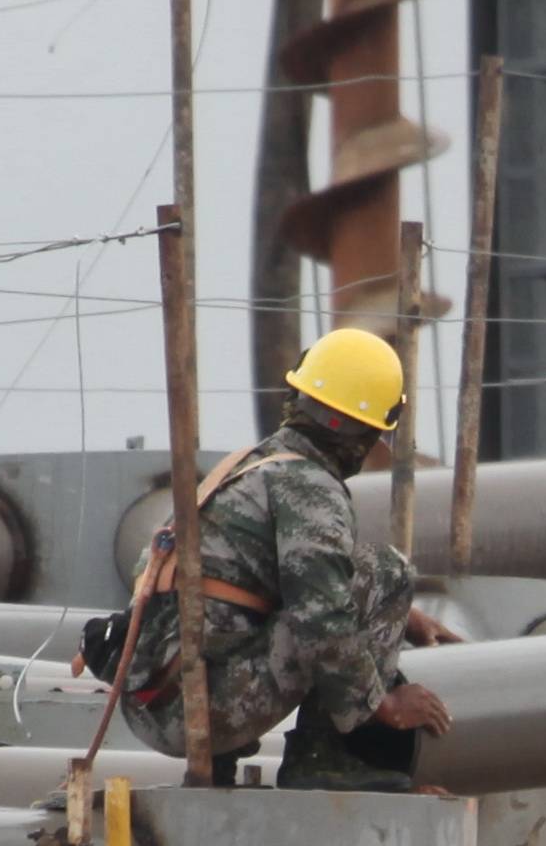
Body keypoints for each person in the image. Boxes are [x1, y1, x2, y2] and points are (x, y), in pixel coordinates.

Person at [114, 326, 455, 789]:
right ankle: (323, 760)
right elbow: (321, 615)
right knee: (385, 568)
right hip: (198, 709)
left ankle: (220, 764)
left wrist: (404, 616)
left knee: (303, 591)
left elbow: (253, 579)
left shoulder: (247, 466)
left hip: (154, 700)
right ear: (366, 431)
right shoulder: (310, 488)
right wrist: (383, 706)